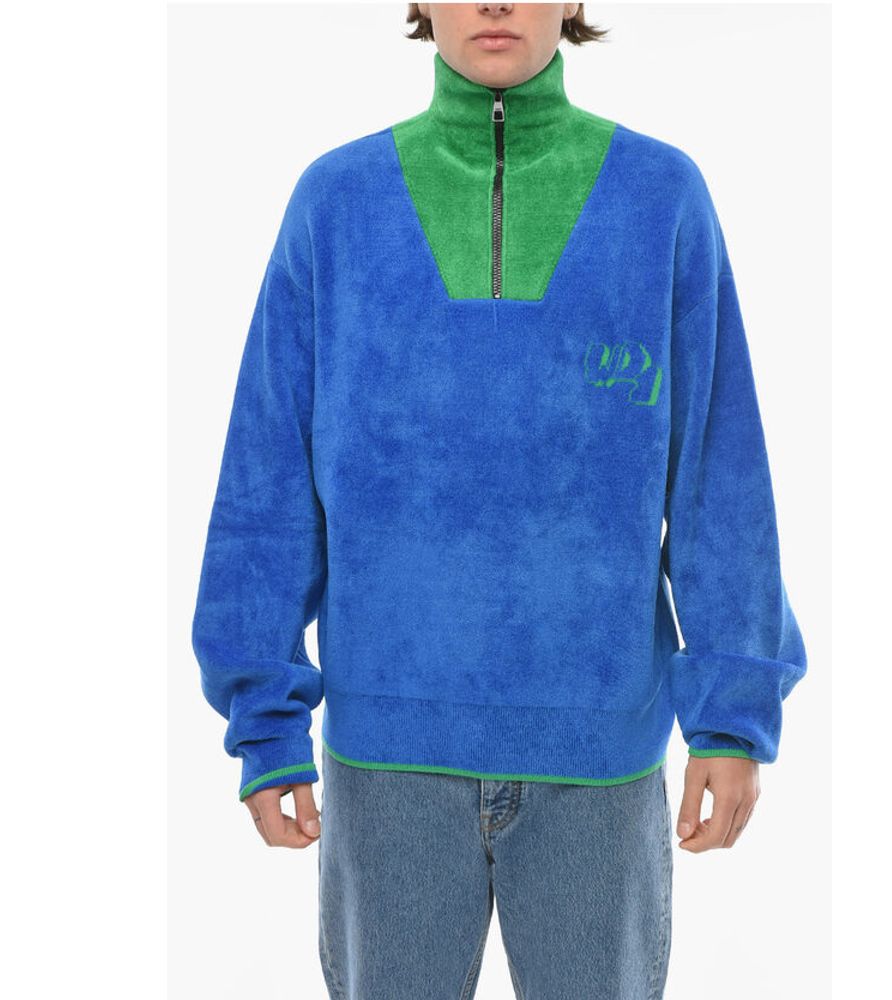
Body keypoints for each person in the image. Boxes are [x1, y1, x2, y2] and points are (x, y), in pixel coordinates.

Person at [190, 3, 808, 997]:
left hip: (598, 762)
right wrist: (264, 722)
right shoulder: (335, 203)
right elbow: (264, 480)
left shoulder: (661, 198)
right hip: (386, 764)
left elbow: (718, 474)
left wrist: (732, 715)